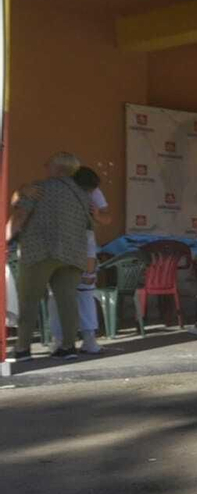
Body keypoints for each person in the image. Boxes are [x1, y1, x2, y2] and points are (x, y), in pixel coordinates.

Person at [10, 152, 94, 361]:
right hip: (73, 253)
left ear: (57, 168)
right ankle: (68, 347)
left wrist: (6, 237)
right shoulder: (83, 194)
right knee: (67, 301)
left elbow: (20, 216)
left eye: (47, 164)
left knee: (28, 300)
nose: (45, 167)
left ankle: (22, 348)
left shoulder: (39, 188)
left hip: (40, 251)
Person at [46, 167, 112, 355]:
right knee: (56, 294)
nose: (90, 195)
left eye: (91, 192)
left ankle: (89, 339)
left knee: (85, 289)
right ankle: (59, 340)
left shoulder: (94, 193)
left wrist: (98, 215)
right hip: (58, 244)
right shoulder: (57, 192)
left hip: (84, 242)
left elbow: (106, 218)